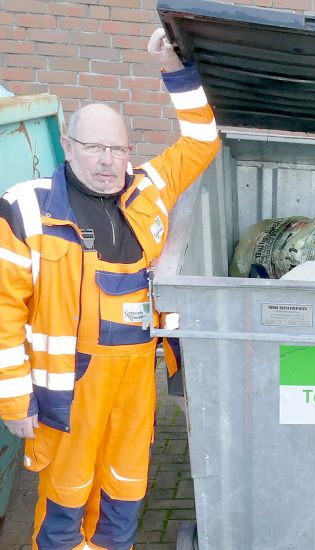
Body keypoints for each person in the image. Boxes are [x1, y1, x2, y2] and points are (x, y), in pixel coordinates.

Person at [0, 28, 219, 549]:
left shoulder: (150, 189)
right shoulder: (26, 208)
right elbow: (4, 313)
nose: (106, 160)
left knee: (125, 495)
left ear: (128, 151)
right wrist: (14, 402)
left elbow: (203, 142)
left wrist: (175, 71)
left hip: (136, 383)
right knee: (66, 503)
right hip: (71, 388)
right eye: (93, 147)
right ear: (69, 147)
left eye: (116, 148)